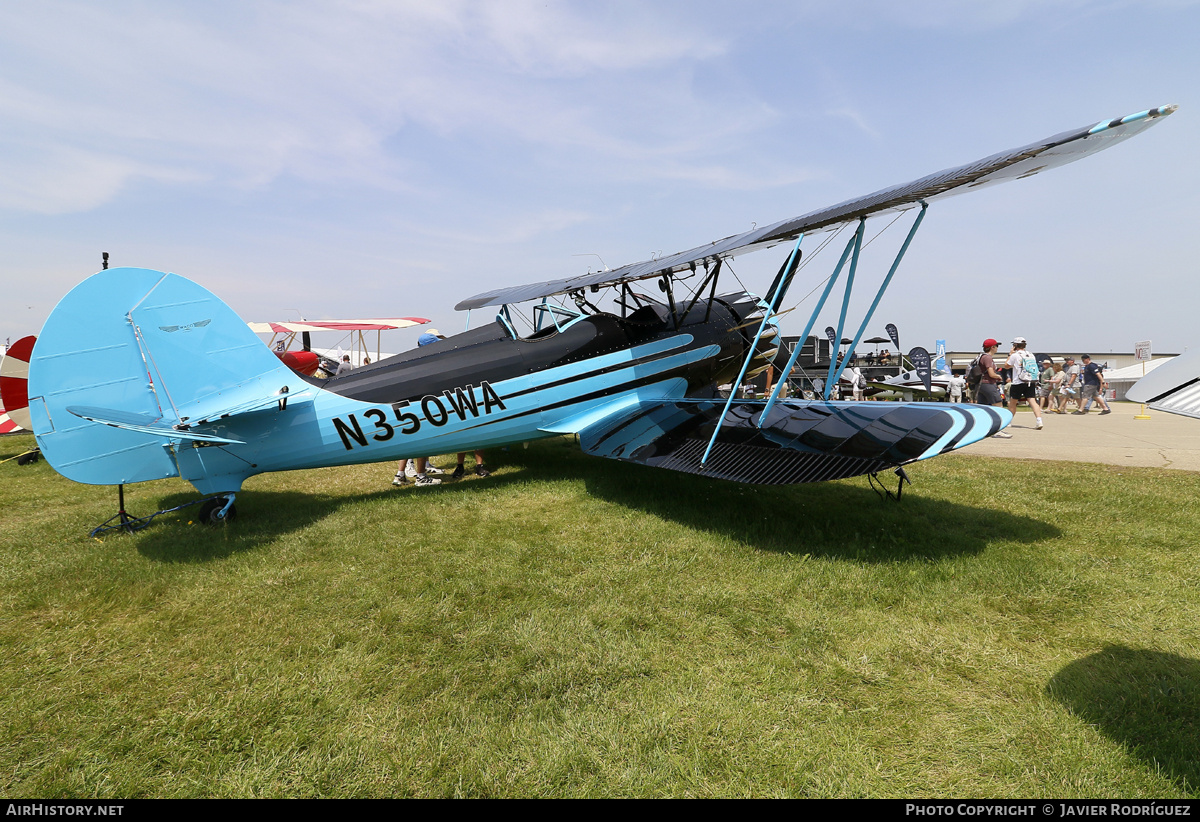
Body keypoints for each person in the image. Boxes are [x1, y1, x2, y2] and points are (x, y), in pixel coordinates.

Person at [976, 338, 1012, 437]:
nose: (997, 348)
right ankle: (997, 430)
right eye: (996, 346)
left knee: (983, 408)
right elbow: (991, 374)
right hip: (988, 384)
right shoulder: (988, 358)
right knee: (998, 407)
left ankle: (982, 429)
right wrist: (998, 376)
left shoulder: (981, 356)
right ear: (992, 347)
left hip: (981, 385)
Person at [1005, 336, 1043, 430]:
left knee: (1013, 402)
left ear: (1015, 345)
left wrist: (1010, 354)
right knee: (1032, 401)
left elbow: (1006, 366)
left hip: (1018, 381)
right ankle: (1039, 420)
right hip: (1030, 380)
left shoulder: (1015, 355)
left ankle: (1009, 421)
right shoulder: (1030, 354)